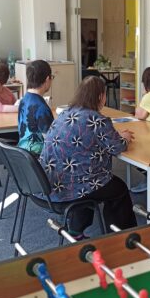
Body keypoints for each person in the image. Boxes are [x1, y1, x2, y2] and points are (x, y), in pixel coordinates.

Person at [40, 76, 137, 238]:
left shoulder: (65, 114)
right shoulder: (97, 120)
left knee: (86, 174)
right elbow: (117, 147)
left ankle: (76, 230)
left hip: (49, 182)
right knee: (118, 189)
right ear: (100, 96)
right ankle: (121, 236)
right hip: (72, 186)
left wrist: (113, 135)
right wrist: (125, 138)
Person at [17, 60, 54, 155]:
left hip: (23, 152)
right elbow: (52, 139)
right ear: (47, 79)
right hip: (38, 155)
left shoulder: (24, 99)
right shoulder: (41, 107)